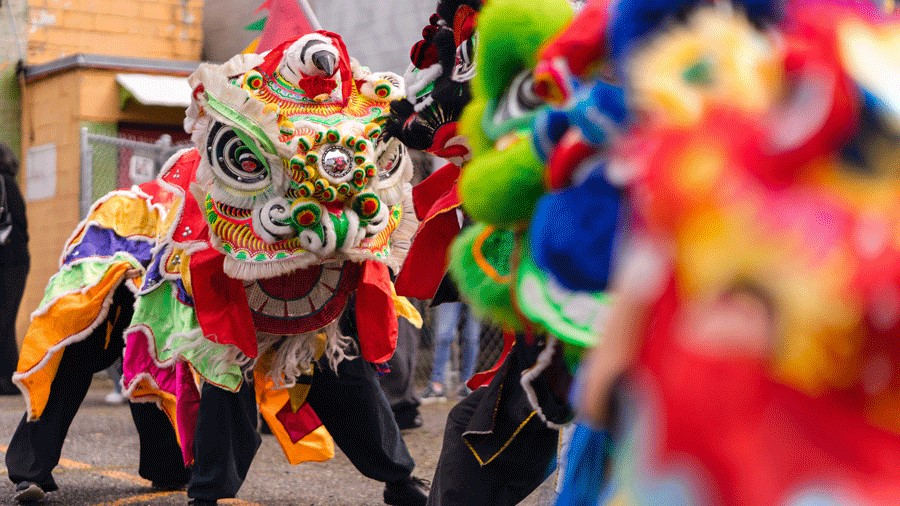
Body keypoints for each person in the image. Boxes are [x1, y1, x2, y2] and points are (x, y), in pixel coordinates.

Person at [0, 143, 28, 396]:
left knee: (5, 320)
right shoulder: (8, 184)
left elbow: (16, 224)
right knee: (5, 320)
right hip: (11, 259)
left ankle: (8, 380)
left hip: (12, 261)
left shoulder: (5, 184)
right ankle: (7, 380)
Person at [421, 289, 481, 401]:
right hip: (450, 282)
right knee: (444, 335)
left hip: (475, 285)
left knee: (471, 337)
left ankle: (467, 384)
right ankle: (437, 385)